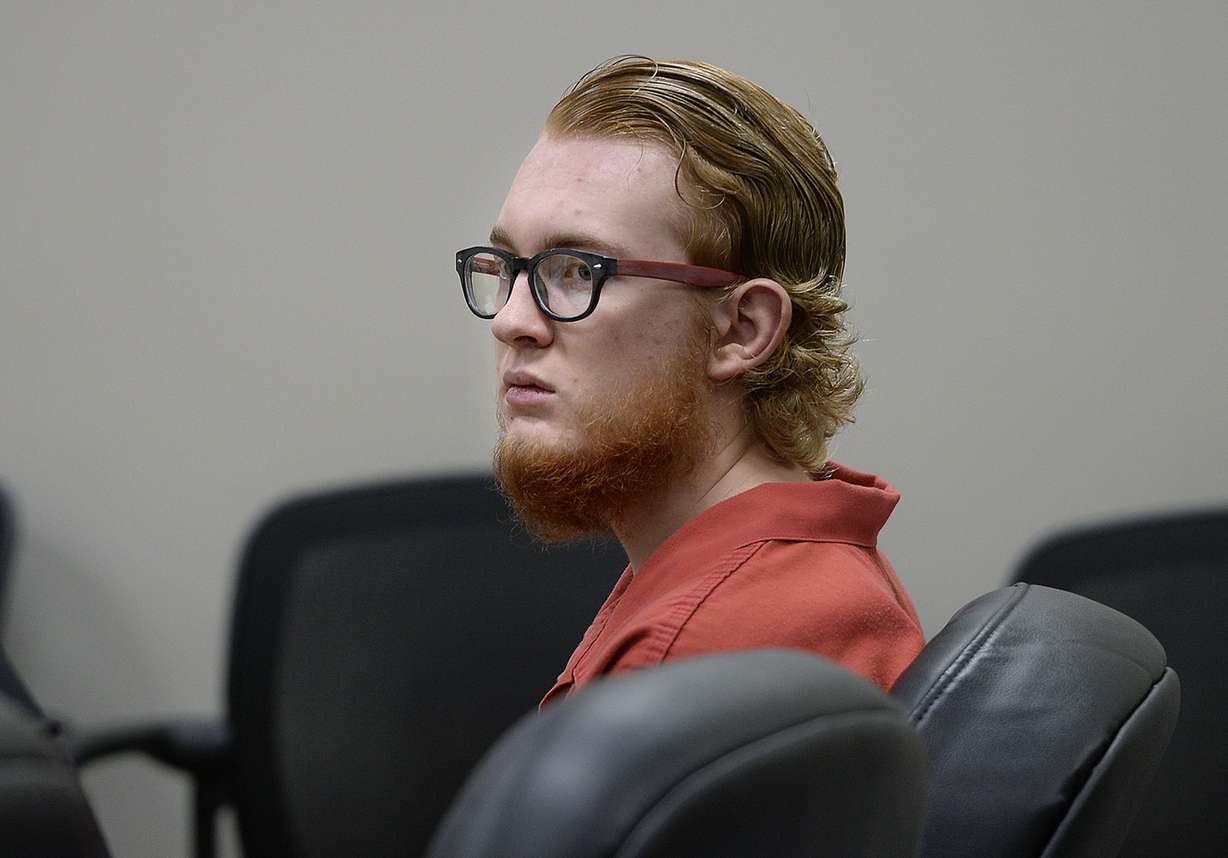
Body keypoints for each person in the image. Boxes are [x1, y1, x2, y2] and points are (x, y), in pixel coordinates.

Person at [455, 56, 925, 706]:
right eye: (508, 264)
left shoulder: (705, 656)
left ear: (742, 331)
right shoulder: (784, 570)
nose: (511, 321)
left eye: (577, 271)